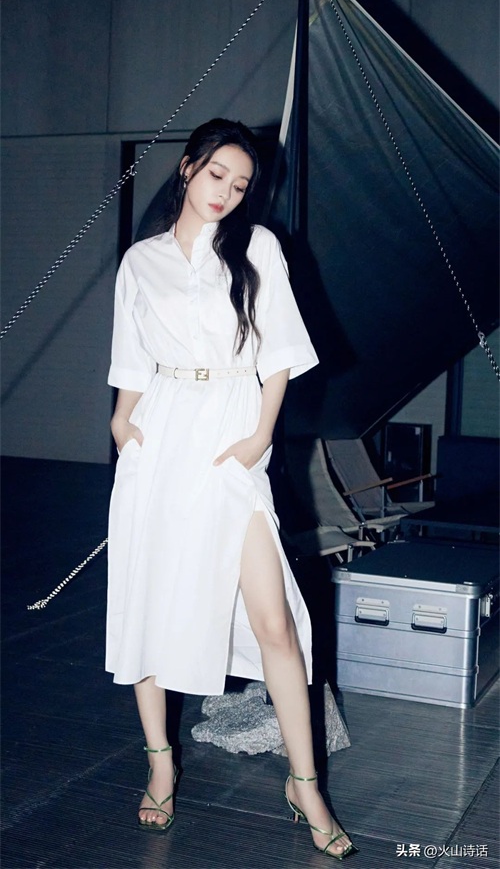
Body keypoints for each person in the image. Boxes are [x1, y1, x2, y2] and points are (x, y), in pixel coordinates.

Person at [106, 118, 356, 860]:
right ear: (188, 168)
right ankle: (160, 765)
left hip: (230, 439)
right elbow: (130, 357)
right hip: (159, 436)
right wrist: (122, 419)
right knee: (150, 608)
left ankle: (306, 783)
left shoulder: (258, 249)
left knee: (274, 619)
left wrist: (256, 440)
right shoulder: (141, 262)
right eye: (217, 174)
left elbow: (279, 357)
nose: (226, 192)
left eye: (241, 185)